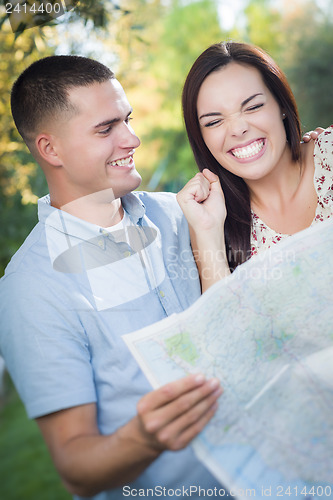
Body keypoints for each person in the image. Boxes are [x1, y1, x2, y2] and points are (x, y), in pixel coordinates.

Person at [0, 55, 225, 499]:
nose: (132, 138)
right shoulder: (30, 288)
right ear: (51, 149)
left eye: (127, 119)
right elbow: (76, 466)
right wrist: (145, 435)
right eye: (106, 129)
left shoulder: (184, 214)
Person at [177, 41, 331, 289]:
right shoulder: (213, 222)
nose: (238, 129)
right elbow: (225, 324)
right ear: (201, 137)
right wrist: (208, 232)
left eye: (253, 106)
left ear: (281, 104)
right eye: (214, 121)